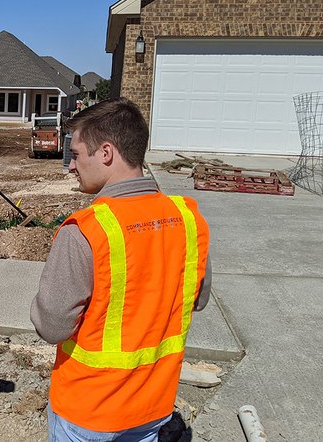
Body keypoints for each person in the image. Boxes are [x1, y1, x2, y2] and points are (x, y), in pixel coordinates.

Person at [31, 98, 212, 441]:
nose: (70, 165)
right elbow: (195, 300)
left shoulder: (85, 231)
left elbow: (51, 326)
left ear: (106, 153)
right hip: (153, 405)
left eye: (76, 154)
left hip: (89, 410)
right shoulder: (189, 220)